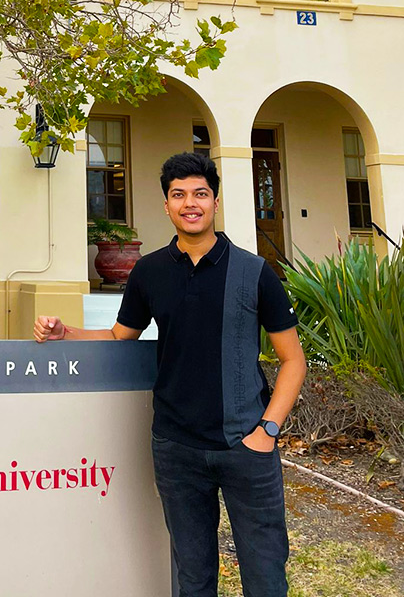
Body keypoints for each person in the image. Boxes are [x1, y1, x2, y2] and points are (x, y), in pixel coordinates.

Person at [35, 152, 307, 597]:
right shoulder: (150, 272)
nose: (190, 203)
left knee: (265, 574)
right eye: (178, 195)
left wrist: (268, 430)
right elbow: (121, 334)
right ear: (166, 205)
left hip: (245, 446)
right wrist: (66, 333)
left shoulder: (254, 272)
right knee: (192, 576)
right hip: (176, 448)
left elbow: (292, 360)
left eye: (200, 193)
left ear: (214, 201)